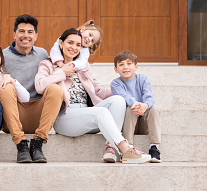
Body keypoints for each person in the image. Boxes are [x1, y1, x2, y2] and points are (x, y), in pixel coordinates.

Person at [35, 28, 152, 164]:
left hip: (87, 114)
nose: (74, 47)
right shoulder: (48, 64)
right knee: (100, 112)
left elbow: (97, 92)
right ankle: (125, 149)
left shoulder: (83, 66)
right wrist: (61, 72)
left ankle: (110, 148)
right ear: (61, 43)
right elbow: (39, 86)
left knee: (118, 100)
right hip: (64, 117)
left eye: (78, 45)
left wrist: (123, 91)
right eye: (70, 43)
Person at [0, 14, 64, 163]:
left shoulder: (42, 54)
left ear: (36, 36)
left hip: (38, 115)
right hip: (13, 114)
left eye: (30, 32)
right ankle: (21, 145)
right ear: (14, 34)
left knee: (55, 89)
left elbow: (68, 48)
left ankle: (38, 143)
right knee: (5, 87)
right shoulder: (1, 56)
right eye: (21, 31)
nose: (25, 35)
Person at [111, 50, 162, 163]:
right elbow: (125, 97)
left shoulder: (143, 79)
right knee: (130, 108)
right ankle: (128, 147)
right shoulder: (115, 83)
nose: (125, 67)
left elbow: (149, 96)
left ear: (136, 66)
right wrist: (136, 105)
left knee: (153, 109)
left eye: (129, 63)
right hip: (128, 123)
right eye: (121, 64)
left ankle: (154, 147)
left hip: (144, 122)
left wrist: (144, 105)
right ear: (116, 69)